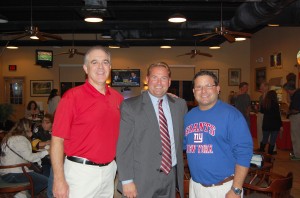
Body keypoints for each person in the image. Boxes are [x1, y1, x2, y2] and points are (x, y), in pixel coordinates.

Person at [50, 46, 123, 198]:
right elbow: (57, 140)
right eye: (94, 62)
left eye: (105, 62)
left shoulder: (118, 98)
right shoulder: (71, 97)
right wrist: (58, 179)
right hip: (80, 173)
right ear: (85, 68)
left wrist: (163, 98)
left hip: (109, 171)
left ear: (110, 67)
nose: (100, 67)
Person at [116, 62, 188, 198]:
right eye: (155, 77)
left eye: (164, 78)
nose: (159, 82)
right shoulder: (130, 106)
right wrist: (126, 180)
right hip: (141, 179)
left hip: (170, 177)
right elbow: (123, 147)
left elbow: (183, 138)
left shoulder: (180, 105)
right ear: (147, 79)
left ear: (169, 81)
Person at [184, 70, 253, 198]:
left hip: (223, 189)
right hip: (195, 186)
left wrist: (236, 189)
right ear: (194, 91)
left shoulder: (232, 115)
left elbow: (244, 152)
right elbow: (183, 145)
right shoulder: (189, 116)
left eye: (208, 86)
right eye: (199, 87)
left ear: (218, 89)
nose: (203, 91)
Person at [0, 118, 49, 197]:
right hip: (13, 173)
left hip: (6, 172)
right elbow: (30, 158)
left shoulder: (10, 138)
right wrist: (46, 152)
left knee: (38, 174)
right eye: (30, 127)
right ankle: (26, 194)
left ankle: (23, 193)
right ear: (27, 128)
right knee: (45, 181)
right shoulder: (20, 139)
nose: (31, 129)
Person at [259, 90, 282, 155]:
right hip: (275, 125)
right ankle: (270, 154)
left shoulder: (265, 103)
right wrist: (281, 125)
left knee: (264, 139)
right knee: (272, 141)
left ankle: (261, 152)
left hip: (266, 124)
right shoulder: (276, 104)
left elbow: (261, 111)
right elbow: (278, 116)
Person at [283, 81, 300, 160]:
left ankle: (297, 155)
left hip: (296, 117)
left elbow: (296, 110)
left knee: (296, 137)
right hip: (296, 117)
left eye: (286, 90)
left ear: (289, 89)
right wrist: (289, 94)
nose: (286, 92)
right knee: (296, 136)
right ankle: (297, 153)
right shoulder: (295, 93)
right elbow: (289, 101)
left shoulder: (297, 95)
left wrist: (288, 112)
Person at [257, 81, 270, 148]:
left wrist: (264, 93)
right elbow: (261, 107)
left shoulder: (270, 96)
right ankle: (260, 147)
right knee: (260, 131)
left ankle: (272, 148)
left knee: (269, 132)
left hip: (268, 115)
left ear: (266, 87)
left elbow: (266, 105)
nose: (260, 88)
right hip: (261, 114)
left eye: (262, 86)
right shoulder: (261, 97)